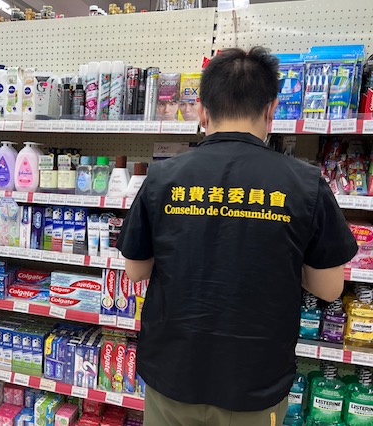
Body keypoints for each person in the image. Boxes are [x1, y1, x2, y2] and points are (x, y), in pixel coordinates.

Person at [116, 47, 358, 426]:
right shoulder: (306, 183)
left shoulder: (163, 177)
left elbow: (135, 270)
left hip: (173, 374)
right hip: (255, 383)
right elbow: (329, 288)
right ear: (271, 109)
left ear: (202, 111)